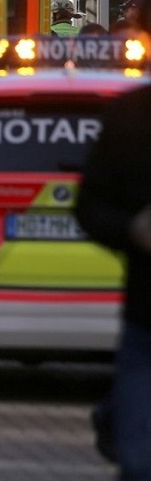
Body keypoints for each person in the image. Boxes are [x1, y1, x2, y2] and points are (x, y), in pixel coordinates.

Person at [76, 62, 151, 477]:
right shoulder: (131, 118)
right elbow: (90, 207)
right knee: (140, 462)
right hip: (147, 322)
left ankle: (117, 411)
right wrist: (132, 228)